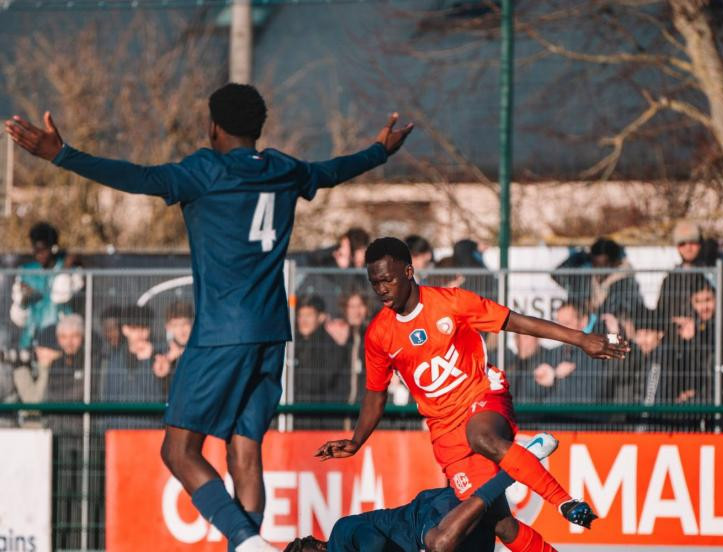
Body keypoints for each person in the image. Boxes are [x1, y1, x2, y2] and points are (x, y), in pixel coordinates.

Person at [5, 84, 413, 552]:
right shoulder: (283, 169)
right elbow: (332, 171)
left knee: (178, 450)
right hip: (271, 333)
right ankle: (248, 542)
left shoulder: (205, 171)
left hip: (222, 331)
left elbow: (137, 176)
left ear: (213, 125)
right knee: (244, 448)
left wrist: (62, 155)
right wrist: (379, 152)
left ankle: (246, 542)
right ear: (257, 128)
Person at [315, 238, 628, 551]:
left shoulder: (451, 302)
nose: (381, 289)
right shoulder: (379, 334)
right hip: (445, 432)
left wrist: (582, 339)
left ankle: (565, 502)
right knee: (500, 524)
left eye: (388, 280)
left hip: (483, 394)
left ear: (409, 271)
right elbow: (375, 394)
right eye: (374, 282)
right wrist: (356, 440)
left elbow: (515, 322)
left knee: (481, 436)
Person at [298, 433, 558, 552]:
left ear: (317, 546)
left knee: (440, 544)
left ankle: (518, 465)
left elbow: (373, 542)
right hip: (445, 529)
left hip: (429, 515)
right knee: (504, 527)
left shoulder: (339, 536)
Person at [9, 222, 83, 348]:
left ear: (53, 248)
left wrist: (65, 270)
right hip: (32, 341)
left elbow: (60, 297)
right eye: (36, 250)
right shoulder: (25, 272)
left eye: (44, 250)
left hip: (61, 342)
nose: (40, 255)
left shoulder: (70, 267)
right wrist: (23, 301)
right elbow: (18, 319)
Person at [153, 300, 194, 396]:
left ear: (193, 323)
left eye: (185, 323)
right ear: (168, 327)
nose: (181, 330)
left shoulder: (202, 351)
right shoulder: (158, 353)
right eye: (175, 325)